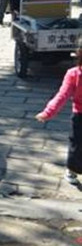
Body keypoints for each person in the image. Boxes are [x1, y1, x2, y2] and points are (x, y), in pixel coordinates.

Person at [36, 40, 82, 185]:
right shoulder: (74, 74)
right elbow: (62, 96)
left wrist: (48, 113)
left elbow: (62, 96)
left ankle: (72, 169)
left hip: (79, 116)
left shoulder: (73, 73)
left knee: (76, 144)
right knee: (77, 145)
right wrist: (48, 112)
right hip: (79, 116)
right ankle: (72, 169)